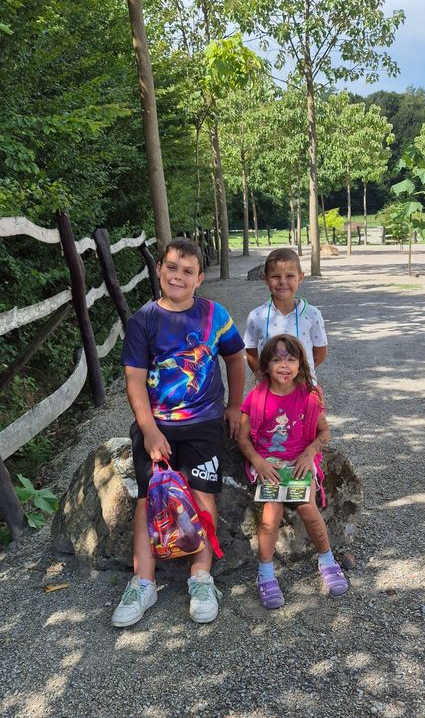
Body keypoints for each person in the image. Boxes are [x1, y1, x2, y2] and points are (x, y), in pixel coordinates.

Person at [112, 238, 245, 628]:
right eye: (171, 267)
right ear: (158, 269)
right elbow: (134, 380)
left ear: (199, 278)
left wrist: (234, 406)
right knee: (148, 499)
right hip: (158, 427)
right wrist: (149, 430)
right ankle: (143, 582)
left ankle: (201, 577)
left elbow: (235, 358)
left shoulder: (215, 315)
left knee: (203, 495)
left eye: (188, 271)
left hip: (204, 425)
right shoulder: (143, 321)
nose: (178, 276)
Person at [238, 334, 348, 609]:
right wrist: (258, 462)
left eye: (291, 359)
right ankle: (265, 574)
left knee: (307, 507)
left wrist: (309, 453)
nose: (284, 365)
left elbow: (324, 432)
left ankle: (327, 560)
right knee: (270, 514)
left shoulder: (309, 396)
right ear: (265, 365)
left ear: (301, 364)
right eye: (277, 359)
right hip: (270, 466)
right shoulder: (256, 398)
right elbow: (243, 438)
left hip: (300, 461)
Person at [244, 248, 327, 382]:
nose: (282, 282)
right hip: (270, 389)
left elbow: (319, 353)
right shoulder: (256, 316)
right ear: (266, 279)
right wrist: (264, 377)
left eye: (289, 276)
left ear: (300, 277)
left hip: (303, 387)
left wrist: (296, 373)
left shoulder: (312, 314)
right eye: (275, 276)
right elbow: (251, 352)